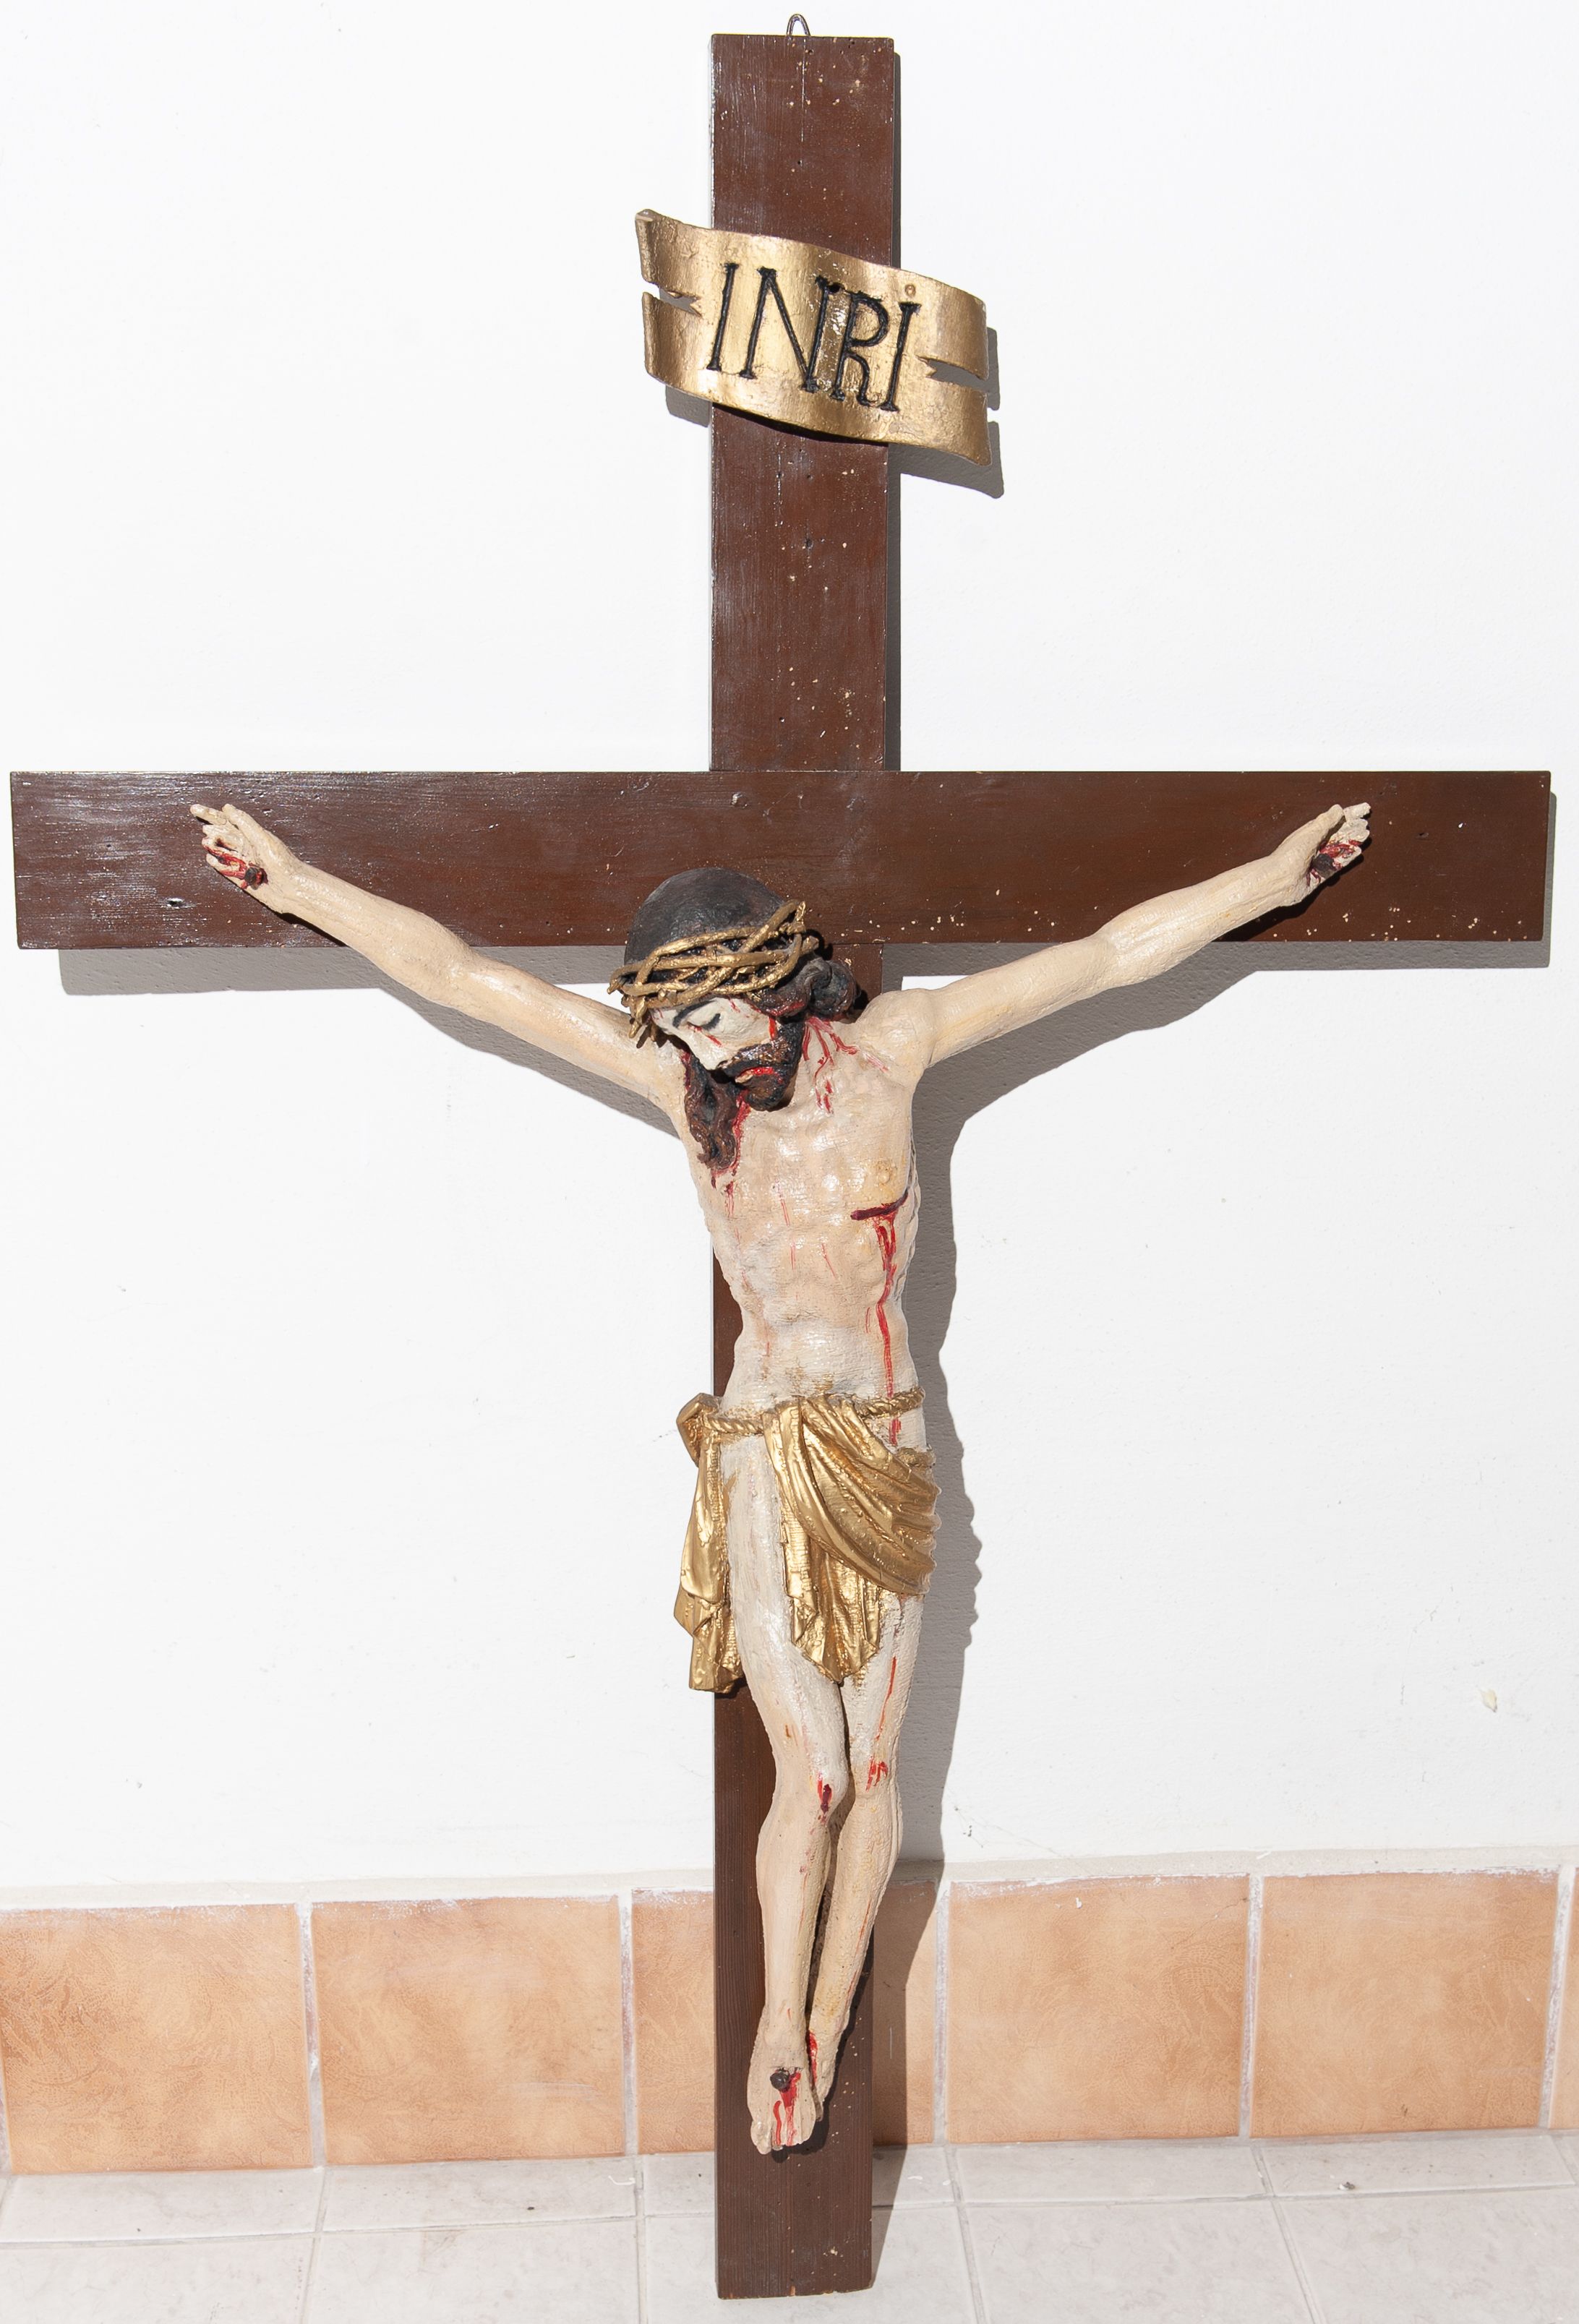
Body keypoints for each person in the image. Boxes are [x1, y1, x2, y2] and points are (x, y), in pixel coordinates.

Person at [191, 794, 1368, 2152]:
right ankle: (773, 2025)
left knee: (874, 1770)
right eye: (682, 1030)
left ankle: (828, 2014)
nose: (705, 1050)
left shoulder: (896, 1051)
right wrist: (297, 885)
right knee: (808, 1771)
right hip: (762, 1443)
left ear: (776, 981)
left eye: (717, 1018)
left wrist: (1270, 881)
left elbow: (1104, 958)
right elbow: (466, 979)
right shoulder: (682, 1092)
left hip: (883, 1439)